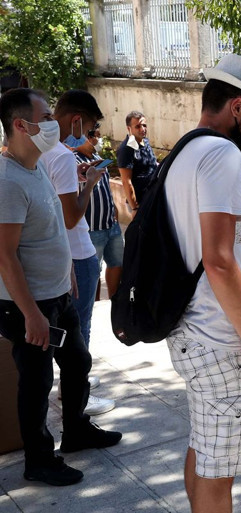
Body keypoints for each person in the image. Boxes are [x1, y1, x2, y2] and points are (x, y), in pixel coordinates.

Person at [164, 54, 241, 513]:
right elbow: (218, 260)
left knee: (205, 448)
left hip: (195, 329)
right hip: (219, 338)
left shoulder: (185, 150)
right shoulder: (221, 156)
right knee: (219, 472)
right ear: (236, 107)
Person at [0, 88, 121, 487]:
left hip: (57, 294)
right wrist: (31, 313)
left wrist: (67, 270)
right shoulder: (7, 181)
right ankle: (38, 458)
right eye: (46, 115)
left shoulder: (34, 166)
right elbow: (5, 256)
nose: (53, 122)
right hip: (30, 305)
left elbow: (52, 227)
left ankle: (76, 430)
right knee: (36, 383)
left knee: (77, 363)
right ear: (21, 125)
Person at [42, 89, 116, 415]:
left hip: (60, 253)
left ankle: (72, 387)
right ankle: (77, 395)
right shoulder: (60, 154)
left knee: (70, 331)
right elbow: (72, 217)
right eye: (86, 130)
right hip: (78, 253)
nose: (87, 137)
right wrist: (90, 183)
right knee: (79, 330)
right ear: (75, 121)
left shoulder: (41, 150)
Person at [75, 128, 124, 298]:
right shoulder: (75, 161)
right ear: (85, 138)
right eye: (95, 136)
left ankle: (114, 301)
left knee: (117, 263)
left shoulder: (97, 159)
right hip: (92, 228)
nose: (99, 139)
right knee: (93, 271)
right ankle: (93, 305)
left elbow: (105, 186)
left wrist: (114, 207)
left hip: (111, 224)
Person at [116, 110, 158, 211]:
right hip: (140, 203)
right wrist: (135, 208)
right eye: (138, 126)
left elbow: (152, 164)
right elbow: (126, 181)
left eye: (144, 125)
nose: (143, 129)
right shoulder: (126, 149)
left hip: (152, 197)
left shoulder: (144, 141)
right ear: (129, 128)